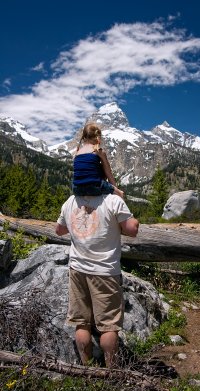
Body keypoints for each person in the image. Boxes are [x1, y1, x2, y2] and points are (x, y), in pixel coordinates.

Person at [55, 192, 139, 367]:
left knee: (81, 323)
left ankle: (87, 369)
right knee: (109, 326)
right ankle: (111, 371)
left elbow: (59, 230)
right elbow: (132, 230)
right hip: (105, 272)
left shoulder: (71, 200)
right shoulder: (112, 201)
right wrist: (122, 201)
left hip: (77, 269)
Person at [72, 123, 124, 198]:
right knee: (120, 194)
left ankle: (83, 207)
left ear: (84, 137)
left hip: (76, 190)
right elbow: (108, 173)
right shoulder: (98, 151)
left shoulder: (77, 153)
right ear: (98, 137)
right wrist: (115, 189)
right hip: (94, 187)